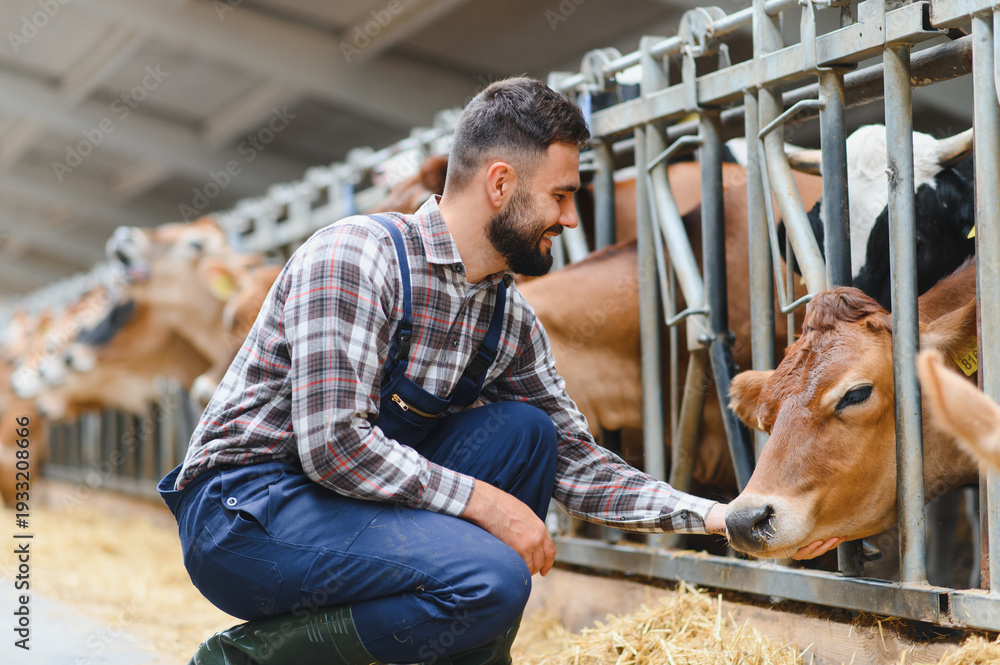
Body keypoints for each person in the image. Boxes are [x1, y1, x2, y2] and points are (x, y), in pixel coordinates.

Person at [159, 76, 728, 665]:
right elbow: (334, 446)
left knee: (528, 436)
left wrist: (715, 516)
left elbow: (575, 461)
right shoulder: (356, 256)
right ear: (501, 184)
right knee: (493, 579)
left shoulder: (505, 317)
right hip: (244, 516)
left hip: (346, 508)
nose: (571, 220)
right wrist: (486, 503)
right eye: (560, 196)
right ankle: (244, 659)